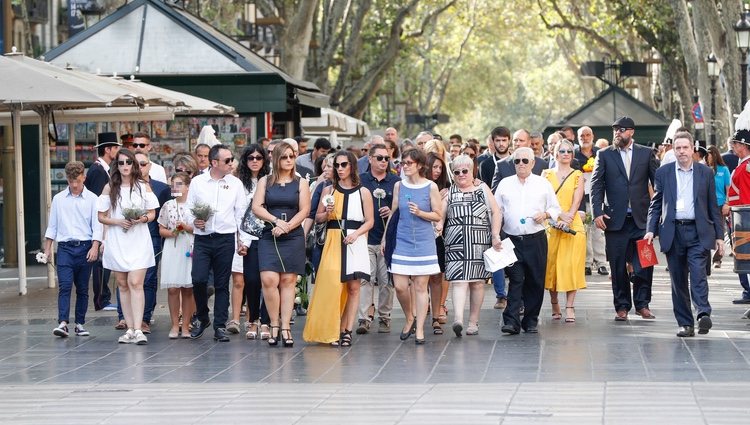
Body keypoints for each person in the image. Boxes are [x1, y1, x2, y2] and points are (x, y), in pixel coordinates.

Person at [644, 132, 724, 337]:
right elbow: (656, 204)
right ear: (674, 150)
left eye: (685, 148)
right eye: (677, 148)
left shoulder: (705, 173)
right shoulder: (664, 173)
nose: (681, 152)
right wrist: (650, 230)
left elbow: (712, 206)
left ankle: (703, 313)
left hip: (699, 231)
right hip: (673, 231)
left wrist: (719, 236)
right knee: (678, 279)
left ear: (692, 149)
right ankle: (685, 323)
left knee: (698, 273)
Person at [590, 116, 658, 321]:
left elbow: (658, 184)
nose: (617, 133)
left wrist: (658, 215)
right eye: (615, 130)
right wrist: (597, 212)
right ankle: (622, 306)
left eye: (621, 130)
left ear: (632, 132)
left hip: (641, 220)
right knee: (617, 267)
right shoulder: (604, 154)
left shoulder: (646, 154)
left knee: (644, 265)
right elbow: (596, 185)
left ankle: (642, 304)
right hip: (615, 221)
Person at [304, 151, 374, 346]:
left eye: (344, 164)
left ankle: (346, 330)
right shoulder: (329, 190)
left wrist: (356, 234)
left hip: (355, 241)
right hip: (333, 240)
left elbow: (370, 221)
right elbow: (317, 217)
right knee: (332, 285)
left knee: (353, 287)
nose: (340, 168)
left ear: (352, 166)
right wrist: (326, 214)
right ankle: (329, 329)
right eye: (337, 165)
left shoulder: (363, 192)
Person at [495, 147, 561, 334]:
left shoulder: (543, 183)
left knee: (535, 280)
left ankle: (531, 319)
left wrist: (546, 214)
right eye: (517, 161)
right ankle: (511, 321)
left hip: (536, 239)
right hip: (511, 239)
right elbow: (497, 211)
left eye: (525, 161)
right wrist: (495, 235)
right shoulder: (505, 184)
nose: (521, 164)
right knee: (516, 279)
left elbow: (556, 209)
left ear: (533, 163)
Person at [252, 141, 311, 347]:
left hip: (293, 236)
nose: (288, 160)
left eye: (291, 156)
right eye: (284, 157)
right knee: (268, 279)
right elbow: (256, 207)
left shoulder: (300, 182)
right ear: (276, 159)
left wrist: (288, 226)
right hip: (270, 234)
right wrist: (276, 222)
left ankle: (285, 326)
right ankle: (273, 323)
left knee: (288, 281)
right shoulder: (265, 182)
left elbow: (305, 210)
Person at [186, 144, 247, 342]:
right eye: (227, 160)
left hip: (225, 238)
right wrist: (193, 220)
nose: (231, 163)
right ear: (214, 162)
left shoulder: (235, 183)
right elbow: (188, 208)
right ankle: (202, 317)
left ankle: (220, 324)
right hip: (203, 238)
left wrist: (242, 240)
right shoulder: (197, 182)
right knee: (198, 279)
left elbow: (241, 214)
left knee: (222, 284)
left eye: (232, 159)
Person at [97, 149, 158, 345]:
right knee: (122, 284)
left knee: (135, 283)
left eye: (128, 162)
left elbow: (152, 213)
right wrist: (118, 222)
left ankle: (139, 328)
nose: (125, 166)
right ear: (117, 165)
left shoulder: (142, 186)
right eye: (121, 163)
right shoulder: (109, 188)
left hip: (138, 239)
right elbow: (101, 216)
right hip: (118, 239)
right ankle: (130, 328)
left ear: (134, 165)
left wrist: (141, 219)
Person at [383, 148, 443, 344]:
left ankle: (419, 330)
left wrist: (420, 213)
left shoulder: (431, 187)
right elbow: (393, 212)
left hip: (424, 242)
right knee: (400, 286)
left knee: (420, 286)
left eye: (409, 163)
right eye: (403, 163)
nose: (405, 166)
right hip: (401, 240)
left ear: (419, 165)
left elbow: (437, 215)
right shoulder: (399, 186)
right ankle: (410, 316)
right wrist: (385, 238)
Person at [442, 155, 502, 337]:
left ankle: (473, 322)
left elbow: (496, 211)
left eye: (464, 171)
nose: (461, 174)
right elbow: (440, 214)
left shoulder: (482, 188)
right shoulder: (449, 192)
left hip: (479, 242)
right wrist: (437, 226)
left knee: (477, 283)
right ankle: (458, 320)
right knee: (458, 281)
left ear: (472, 171)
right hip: (455, 243)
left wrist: (495, 234)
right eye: (456, 172)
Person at [45, 161, 103, 338]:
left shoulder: (93, 199)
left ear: (84, 177)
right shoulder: (59, 199)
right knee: (64, 286)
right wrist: (47, 250)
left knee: (83, 288)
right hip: (65, 248)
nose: (75, 185)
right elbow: (52, 226)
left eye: (77, 180)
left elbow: (97, 225)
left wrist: (95, 246)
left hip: (85, 247)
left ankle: (80, 323)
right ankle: (63, 323)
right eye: (71, 181)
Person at [356, 144, 399, 334]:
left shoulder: (395, 181)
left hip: (387, 239)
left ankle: (384, 316)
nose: (383, 161)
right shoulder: (361, 180)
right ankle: (364, 318)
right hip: (365, 237)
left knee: (386, 280)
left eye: (386, 158)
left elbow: (401, 209)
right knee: (365, 279)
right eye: (379, 158)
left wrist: (391, 211)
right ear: (370, 159)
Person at [542, 140, 586, 323]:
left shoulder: (577, 174)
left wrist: (569, 216)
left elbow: (578, 198)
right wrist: (558, 216)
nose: (566, 153)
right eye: (562, 150)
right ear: (555, 153)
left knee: (571, 266)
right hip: (552, 222)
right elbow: (542, 199)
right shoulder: (546, 174)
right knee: (551, 267)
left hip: (572, 223)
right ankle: (554, 304)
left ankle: (570, 306)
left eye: (569, 151)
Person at [236, 145, 272, 340]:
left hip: (268, 234)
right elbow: (237, 213)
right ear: (245, 160)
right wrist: (240, 239)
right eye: (251, 158)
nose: (255, 161)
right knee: (251, 280)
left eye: (259, 157)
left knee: (268, 280)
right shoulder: (238, 183)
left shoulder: (270, 181)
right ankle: (253, 320)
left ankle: (265, 322)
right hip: (247, 237)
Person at [84, 132, 120, 312]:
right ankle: (101, 299)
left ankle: (103, 297)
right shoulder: (98, 170)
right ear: (108, 149)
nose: (118, 152)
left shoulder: (103, 169)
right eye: (116, 148)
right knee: (101, 262)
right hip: (100, 222)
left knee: (104, 261)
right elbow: (99, 202)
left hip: (104, 221)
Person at [157, 172, 195, 339]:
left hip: (189, 245)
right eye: (173, 185)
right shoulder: (168, 205)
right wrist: (172, 233)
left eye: (179, 184)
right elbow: (161, 229)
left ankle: (186, 325)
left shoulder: (195, 205)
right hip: (173, 246)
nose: (175, 188)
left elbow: (201, 227)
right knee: (173, 288)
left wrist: (186, 227)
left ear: (187, 187)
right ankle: (174, 324)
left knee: (188, 288)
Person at [426, 153, 451, 334]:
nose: (437, 171)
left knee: (438, 274)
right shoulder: (419, 185)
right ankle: (420, 310)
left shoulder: (446, 188)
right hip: (422, 234)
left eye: (440, 168)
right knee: (420, 277)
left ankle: (439, 308)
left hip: (441, 235)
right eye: (434, 167)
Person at [576, 126, 606, 276]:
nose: (585, 138)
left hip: (597, 197)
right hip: (581, 198)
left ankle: (601, 262)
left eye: (588, 135)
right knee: (584, 231)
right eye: (582, 136)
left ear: (593, 136)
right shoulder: (574, 155)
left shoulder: (600, 153)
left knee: (599, 231)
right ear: (578, 137)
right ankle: (587, 262)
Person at [706, 145, 731, 268]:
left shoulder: (724, 170)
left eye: (709, 155)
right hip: (706, 205)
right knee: (708, 231)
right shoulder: (705, 169)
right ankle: (708, 256)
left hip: (720, 204)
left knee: (719, 230)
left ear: (714, 155)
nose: (707, 158)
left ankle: (717, 258)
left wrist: (727, 203)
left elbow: (728, 188)